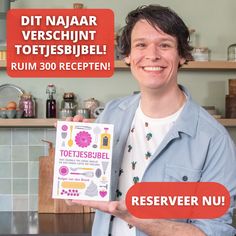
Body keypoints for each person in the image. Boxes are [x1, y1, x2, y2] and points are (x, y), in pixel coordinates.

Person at [67, 4, 236, 236]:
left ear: (182, 56)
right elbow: (83, 194)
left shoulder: (214, 140)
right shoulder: (111, 115)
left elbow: (214, 232)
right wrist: (75, 165)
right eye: (141, 45)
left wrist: (136, 218)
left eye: (165, 45)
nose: (152, 55)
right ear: (128, 56)